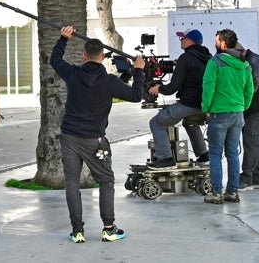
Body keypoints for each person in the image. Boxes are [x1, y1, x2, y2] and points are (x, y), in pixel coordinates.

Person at [50, 26, 145, 244]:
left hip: (70, 137)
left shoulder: (73, 73)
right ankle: (109, 228)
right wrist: (138, 70)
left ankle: (77, 231)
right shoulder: (110, 82)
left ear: (84, 56)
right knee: (106, 181)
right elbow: (136, 95)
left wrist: (63, 39)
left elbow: (55, 60)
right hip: (95, 141)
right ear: (102, 57)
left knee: (72, 183)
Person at [146, 28, 211, 170]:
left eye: (183, 38)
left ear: (190, 41)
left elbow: (173, 87)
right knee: (190, 122)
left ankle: (165, 159)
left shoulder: (185, 58)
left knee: (157, 123)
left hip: (188, 104)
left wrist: (158, 88)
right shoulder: (208, 57)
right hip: (205, 105)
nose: (180, 40)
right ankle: (204, 155)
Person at [201, 29, 254, 204]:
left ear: (223, 43)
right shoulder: (245, 65)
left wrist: (206, 108)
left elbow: (208, 87)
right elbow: (249, 90)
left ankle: (217, 193)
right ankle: (232, 192)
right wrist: (242, 106)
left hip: (219, 114)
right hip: (237, 114)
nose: (215, 44)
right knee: (232, 153)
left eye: (216, 41)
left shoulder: (215, 62)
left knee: (215, 154)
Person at [235, 42, 259, 190]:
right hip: (255, 108)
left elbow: (252, 86)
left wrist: (239, 102)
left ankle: (246, 178)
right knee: (255, 141)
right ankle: (258, 177)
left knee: (251, 141)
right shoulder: (249, 60)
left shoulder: (253, 61)